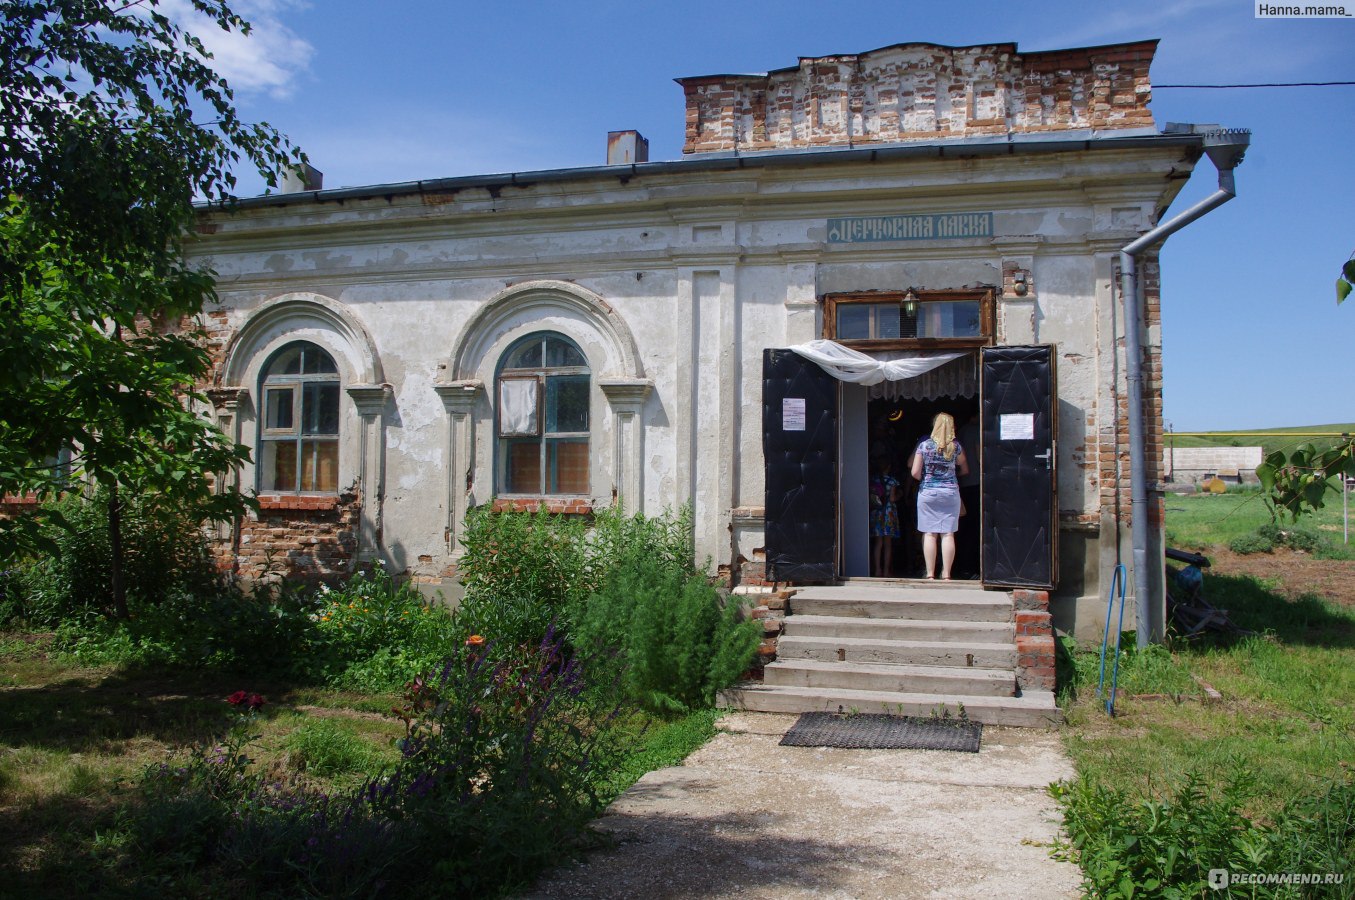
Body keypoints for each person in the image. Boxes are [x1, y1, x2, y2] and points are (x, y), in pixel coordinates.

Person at [910, 412, 969, 580]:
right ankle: (947, 574)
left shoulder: (924, 446)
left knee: (929, 533)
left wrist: (928, 479)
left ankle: (930, 574)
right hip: (950, 492)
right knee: (948, 533)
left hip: (928, 492)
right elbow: (965, 469)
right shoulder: (956, 447)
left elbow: (914, 472)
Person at [869, 458, 902, 577]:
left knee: (878, 543)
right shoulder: (892, 481)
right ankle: (886, 570)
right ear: (888, 467)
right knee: (888, 543)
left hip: (877, 512)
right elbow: (892, 499)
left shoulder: (873, 480)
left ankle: (877, 570)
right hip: (888, 512)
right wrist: (899, 495)